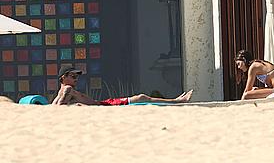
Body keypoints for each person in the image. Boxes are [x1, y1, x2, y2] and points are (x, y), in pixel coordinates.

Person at [52, 66, 193, 105]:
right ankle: (178, 101)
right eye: (73, 76)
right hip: (103, 106)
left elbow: (55, 106)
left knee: (141, 97)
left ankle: (177, 100)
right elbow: (60, 107)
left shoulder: (64, 90)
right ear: (63, 77)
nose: (76, 79)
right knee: (142, 97)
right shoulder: (68, 89)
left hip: (102, 104)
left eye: (77, 77)